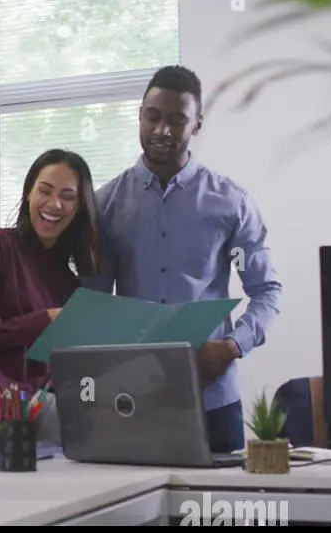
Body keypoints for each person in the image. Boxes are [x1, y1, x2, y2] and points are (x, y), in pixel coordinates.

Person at [92, 65, 283, 453]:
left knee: (214, 513)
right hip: (133, 396)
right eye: (153, 116)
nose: (162, 130)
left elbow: (266, 291)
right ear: (140, 115)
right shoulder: (105, 204)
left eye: (177, 120)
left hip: (212, 396)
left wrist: (232, 346)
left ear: (197, 125)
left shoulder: (230, 202)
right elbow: (94, 303)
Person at [0, 149, 99, 445]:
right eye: (45, 190)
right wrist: (45, 320)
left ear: (79, 207)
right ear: (28, 193)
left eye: (68, 196)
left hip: (42, 408)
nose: (54, 204)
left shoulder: (70, 282)